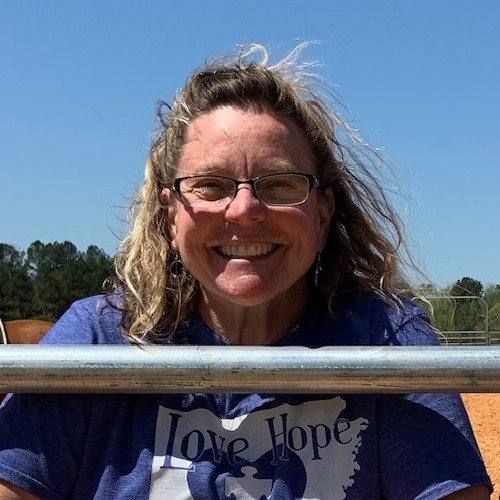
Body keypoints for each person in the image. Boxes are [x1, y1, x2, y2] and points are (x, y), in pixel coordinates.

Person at [0, 44, 492, 499]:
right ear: (171, 217)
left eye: (279, 185)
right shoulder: (97, 341)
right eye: (210, 186)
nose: (244, 210)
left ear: (322, 215)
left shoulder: (388, 343)